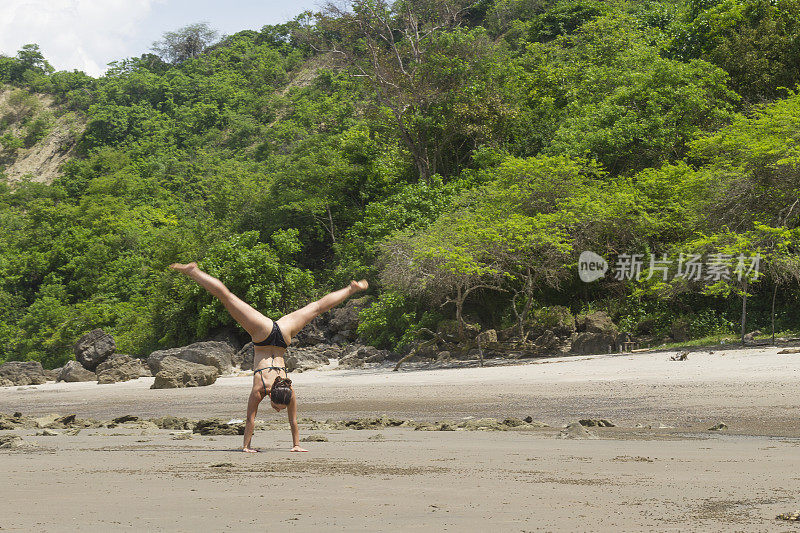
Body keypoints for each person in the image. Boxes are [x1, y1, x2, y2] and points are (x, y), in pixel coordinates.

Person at [169, 262, 368, 452]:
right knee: (227, 297)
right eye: (278, 407)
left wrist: (295, 445)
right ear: (271, 395)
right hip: (262, 335)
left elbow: (291, 421)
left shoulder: (288, 389)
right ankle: (193, 271)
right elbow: (252, 420)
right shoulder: (261, 389)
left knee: (316, 307)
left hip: (283, 335)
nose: (279, 410)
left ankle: (351, 289)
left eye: (279, 408)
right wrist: (246, 447)